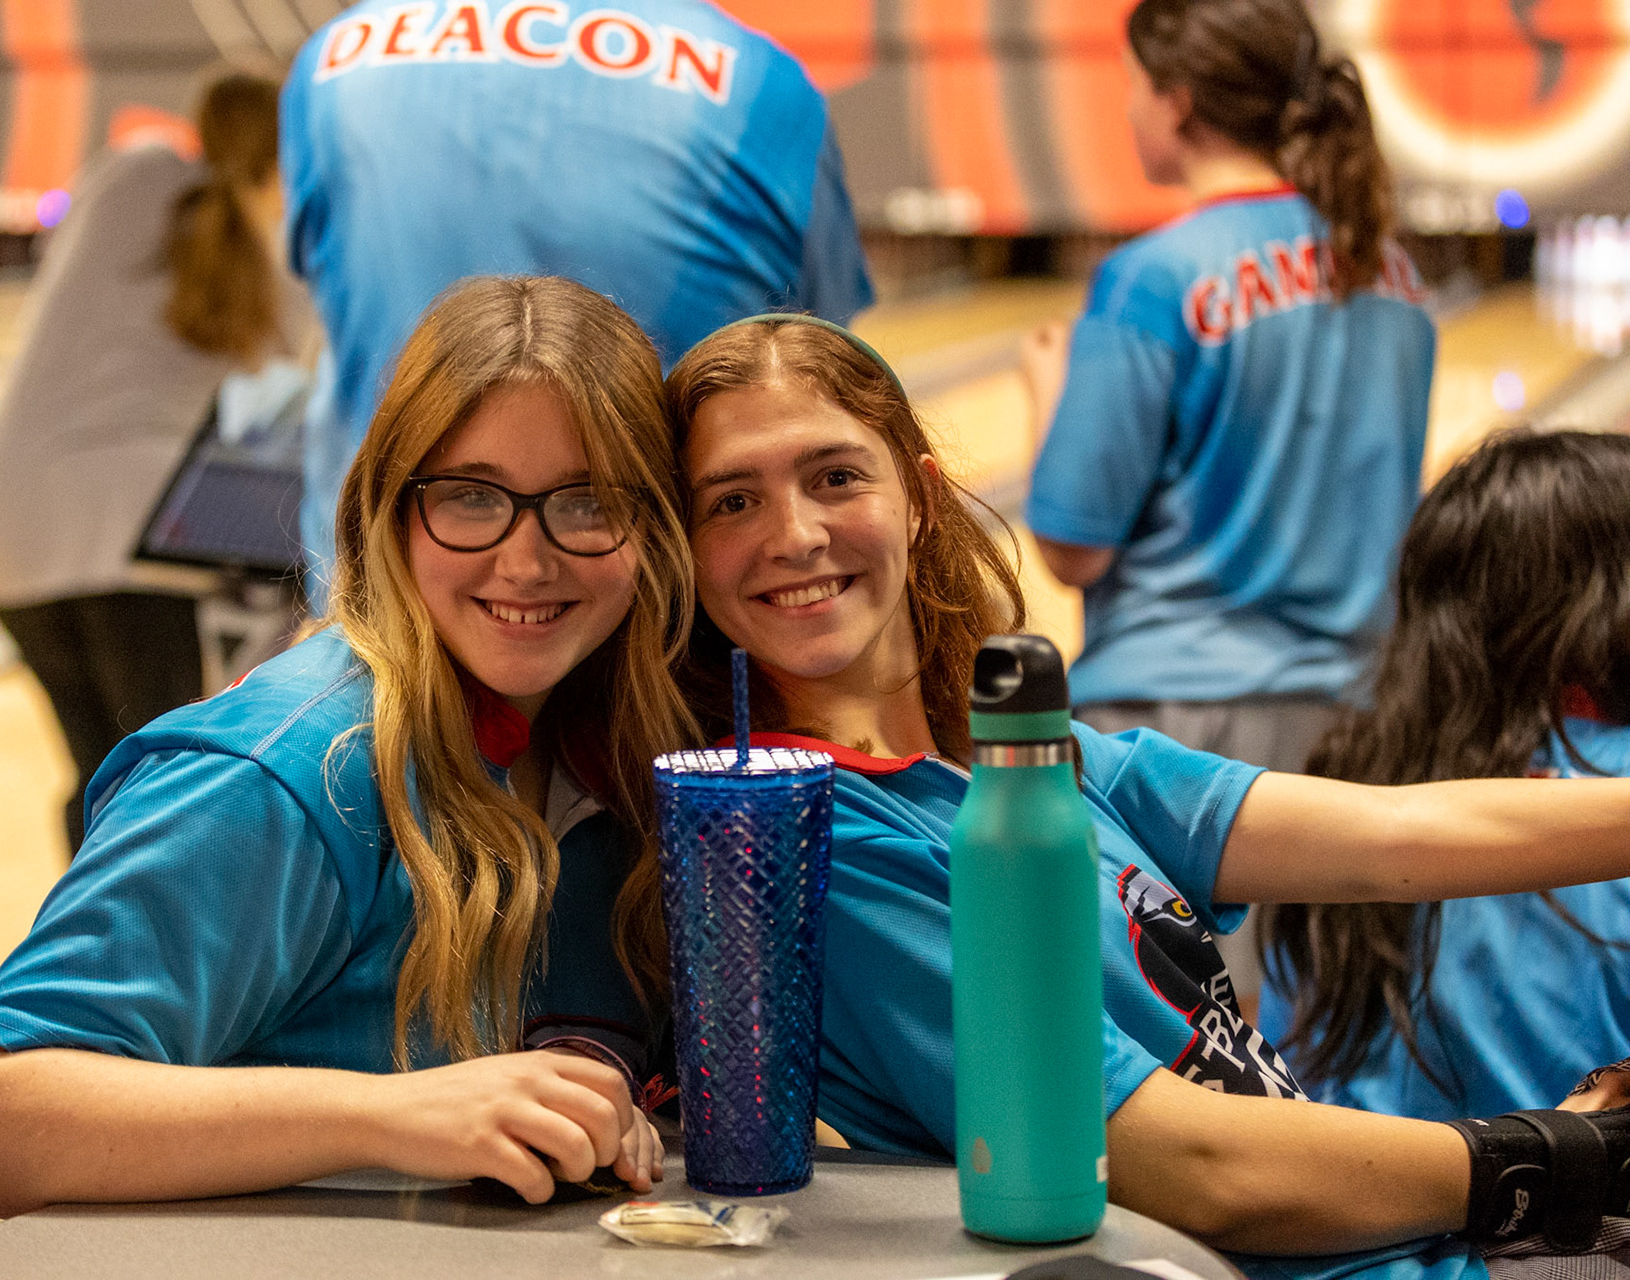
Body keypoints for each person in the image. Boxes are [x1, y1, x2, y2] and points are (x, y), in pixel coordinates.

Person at [666, 314, 1630, 1280]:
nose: (795, 535)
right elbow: (1200, 1169)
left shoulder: (1041, 760)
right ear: (687, 549)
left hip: (1402, 1248)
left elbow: (1398, 837)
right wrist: (1562, 1156)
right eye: (733, 501)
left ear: (919, 499)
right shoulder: (802, 838)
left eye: (836, 477)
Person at [0, 276, 693, 1218]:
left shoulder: (622, 758)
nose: (526, 560)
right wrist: (389, 1116)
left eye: (590, 502)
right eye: (470, 498)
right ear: (389, 511)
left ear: (655, 528)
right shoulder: (284, 774)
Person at [1016, 0, 1437, 1010]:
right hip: (1360, 721)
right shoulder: (1395, 273)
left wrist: (1046, 394)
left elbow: (1072, 545)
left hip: (1179, 733)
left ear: (1178, 101)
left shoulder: (1153, 276)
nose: (1127, 109)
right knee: (1325, 1040)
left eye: (1131, 87)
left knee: (1195, 1045)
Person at [279, 0, 874, 593]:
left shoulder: (332, 64)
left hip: (377, 593)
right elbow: (814, 365)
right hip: (657, 606)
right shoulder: (765, 84)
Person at [0, 72, 315, 854]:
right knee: (160, 798)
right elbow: (274, 441)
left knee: (98, 779)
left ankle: (89, 929)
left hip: (4, 528)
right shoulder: (283, 263)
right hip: (139, 540)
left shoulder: (122, 176)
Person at [1263, 429, 1630, 1122]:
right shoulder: (1614, 793)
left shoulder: (1344, 791)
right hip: (1568, 1190)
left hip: (1360, 1187)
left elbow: (1287, 1084)